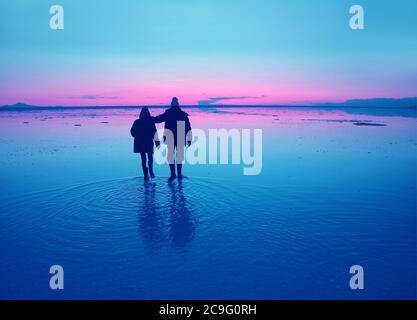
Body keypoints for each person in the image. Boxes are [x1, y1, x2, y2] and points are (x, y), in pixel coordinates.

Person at [154, 97, 192, 182]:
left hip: (170, 137)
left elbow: (158, 119)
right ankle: (178, 174)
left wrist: (149, 118)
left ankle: (173, 174)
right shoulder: (182, 114)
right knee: (179, 156)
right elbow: (188, 127)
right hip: (180, 137)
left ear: (171, 104)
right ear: (178, 104)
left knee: (171, 156)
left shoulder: (169, 113)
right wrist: (189, 138)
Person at [130, 107, 160, 180]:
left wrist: (137, 136)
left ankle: (146, 174)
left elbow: (132, 132)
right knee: (150, 157)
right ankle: (150, 171)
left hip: (140, 142)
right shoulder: (150, 121)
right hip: (148, 141)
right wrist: (157, 143)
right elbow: (154, 132)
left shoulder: (137, 121)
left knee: (143, 158)